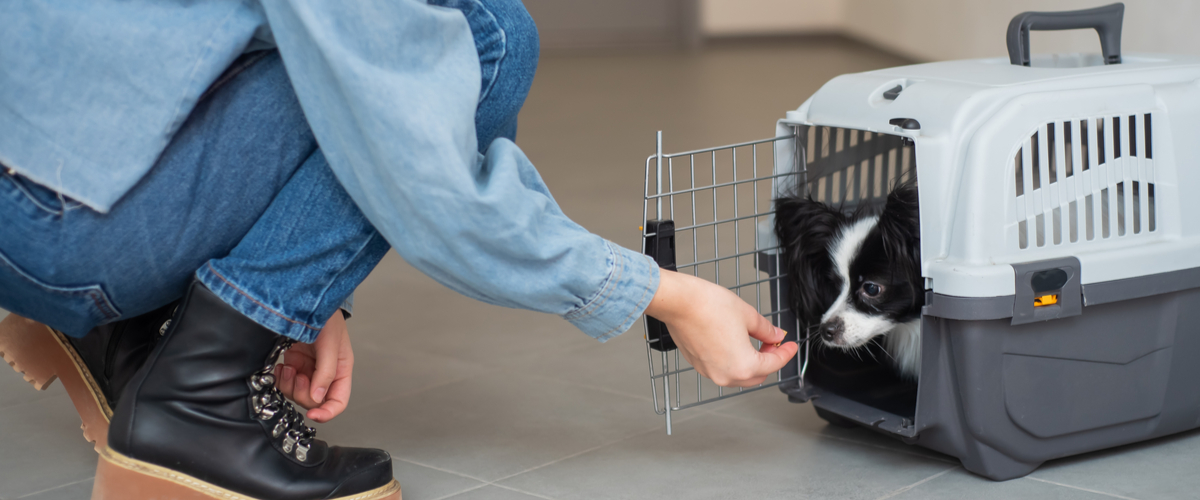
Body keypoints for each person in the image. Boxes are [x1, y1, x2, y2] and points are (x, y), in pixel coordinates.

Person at [0, 1, 798, 499]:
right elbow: (420, 163)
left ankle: (142, 331)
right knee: (484, 36)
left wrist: (305, 285)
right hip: (63, 223)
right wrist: (670, 295)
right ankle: (195, 399)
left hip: (34, 179)